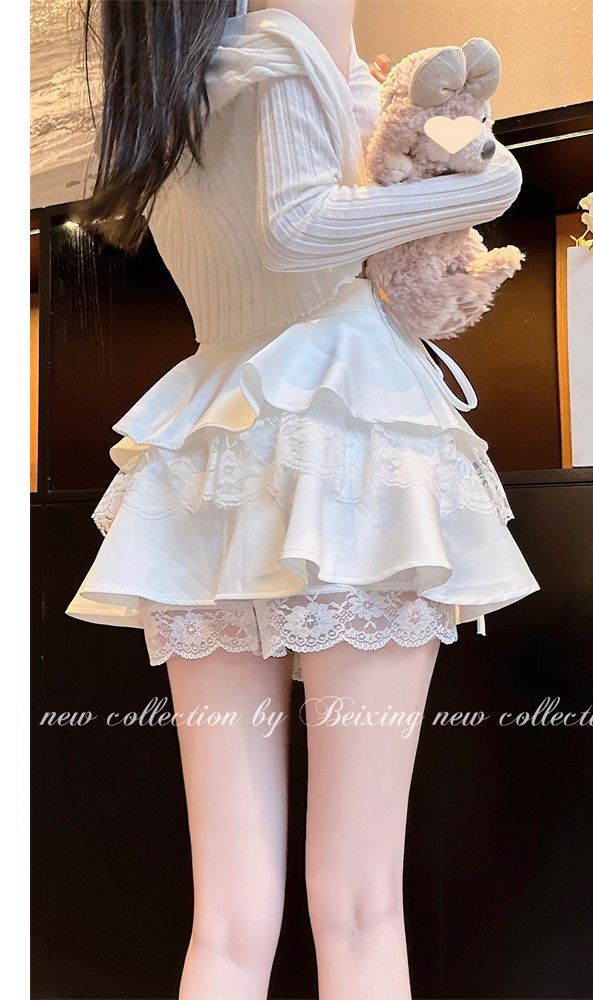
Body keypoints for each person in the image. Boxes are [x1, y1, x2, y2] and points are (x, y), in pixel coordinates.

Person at [67, 1, 539, 997]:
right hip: (346, 432)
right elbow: (298, 229)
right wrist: (494, 185)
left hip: (214, 443)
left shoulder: (175, 77)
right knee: (359, 904)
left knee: (228, 919)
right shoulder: (280, 48)